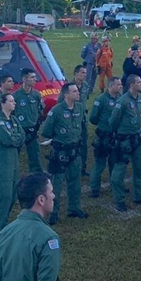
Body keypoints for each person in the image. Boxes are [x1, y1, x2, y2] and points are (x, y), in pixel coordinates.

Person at [39, 83, 88, 224]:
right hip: (60, 152)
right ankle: (53, 213)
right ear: (66, 94)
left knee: (75, 181)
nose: (77, 93)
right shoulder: (57, 111)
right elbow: (46, 131)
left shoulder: (79, 108)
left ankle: (74, 208)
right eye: (74, 91)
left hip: (75, 151)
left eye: (77, 91)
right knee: (57, 184)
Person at [108, 75, 141, 212]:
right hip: (124, 140)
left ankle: (140, 196)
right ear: (131, 85)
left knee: (140, 168)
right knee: (119, 171)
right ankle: (119, 200)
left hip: (137, 138)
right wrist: (120, 134)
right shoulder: (122, 101)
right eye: (139, 82)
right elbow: (113, 121)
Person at [0, 94, 26, 240]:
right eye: (11, 101)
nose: (14, 103)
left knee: (11, 196)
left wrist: (15, 139)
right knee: (3, 195)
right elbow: (8, 139)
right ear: (2, 104)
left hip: (13, 162)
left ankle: (3, 225)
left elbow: (21, 136)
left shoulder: (14, 120)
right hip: (2, 164)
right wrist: (15, 139)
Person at [88, 77, 123, 198]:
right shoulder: (101, 99)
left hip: (116, 137)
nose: (120, 86)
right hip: (103, 137)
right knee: (100, 163)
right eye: (118, 84)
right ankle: (94, 188)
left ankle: (115, 185)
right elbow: (93, 118)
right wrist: (104, 124)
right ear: (111, 86)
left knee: (114, 162)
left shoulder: (120, 98)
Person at [12, 69, 45, 174]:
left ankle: (37, 174)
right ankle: (12, 173)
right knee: (13, 154)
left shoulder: (36, 95)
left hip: (32, 130)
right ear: (24, 79)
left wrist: (36, 124)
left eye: (35, 77)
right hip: (19, 130)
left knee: (35, 154)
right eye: (32, 77)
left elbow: (40, 110)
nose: (35, 79)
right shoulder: (15, 96)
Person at [80, 33, 101, 97]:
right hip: (89, 63)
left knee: (94, 76)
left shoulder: (99, 46)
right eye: (93, 38)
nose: (94, 40)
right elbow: (83, 54)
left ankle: (91, 89)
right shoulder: (87, 46)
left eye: (96, 39)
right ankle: (85, 89)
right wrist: (87, 59)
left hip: (96, 63)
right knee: (87, 77)